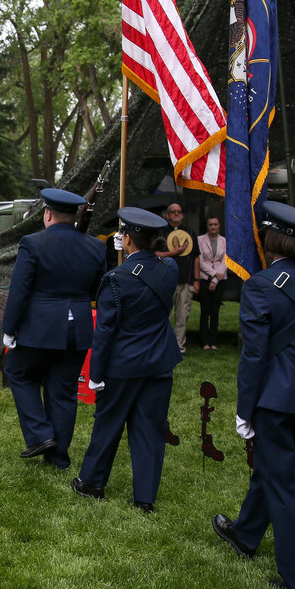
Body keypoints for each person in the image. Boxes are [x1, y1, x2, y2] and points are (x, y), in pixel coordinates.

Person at [211, 201, 295, 589]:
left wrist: (245, 410)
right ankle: (246, 534)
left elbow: (254, 356)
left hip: (275, 400)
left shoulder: (261, 285)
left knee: (283, 485)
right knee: (274, 469)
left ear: (272, 237)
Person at [73, 207, 182, 511]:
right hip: (159, 361)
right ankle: (144, 497)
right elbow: (158, 263)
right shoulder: (170, 270)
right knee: (150, 429)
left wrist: (95, 374)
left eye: (123, 234)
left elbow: (105, 332)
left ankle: (92, 482)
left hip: (123, 364)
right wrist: (141, 251)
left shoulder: (116, 278)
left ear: (128, 239)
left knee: (108, 424)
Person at [0, 188, 108, 469]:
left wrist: (9, 329)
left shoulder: (32, 243)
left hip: (40, 327)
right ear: (74, 217)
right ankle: (58, 456)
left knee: (18, 372)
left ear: (47, 214)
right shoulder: (96, 246)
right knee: (63, 391)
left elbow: (19, 291)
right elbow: (98, 289)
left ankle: (40, 434)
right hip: (79, 328)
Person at [156, 202, 198, 352]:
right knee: (164, 315)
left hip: (185, 280)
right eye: (172, 211)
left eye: (178, 212)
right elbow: (154, 254)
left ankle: (179, 346)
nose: (175, 214)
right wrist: (172, 254)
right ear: (167, 215)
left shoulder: (191, 233)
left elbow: (196, 258)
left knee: (182, 315)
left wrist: (196, 280)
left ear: (182, 215)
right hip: (165, 280)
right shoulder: (160, 233)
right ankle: (164, 344)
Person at [195, 216, 228, 350]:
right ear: (207, 226)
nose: (213, 227)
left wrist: (215, 279)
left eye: (215, 224)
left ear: (219, 225)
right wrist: (213, 274)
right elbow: (200, 261)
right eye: (210, 225)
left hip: (220, 279)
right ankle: (204, 342)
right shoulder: (199, 240)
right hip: (204, 278)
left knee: (215, 311)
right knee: (205, 310)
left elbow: (226, 260)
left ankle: (213, 341)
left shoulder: (225, 241)